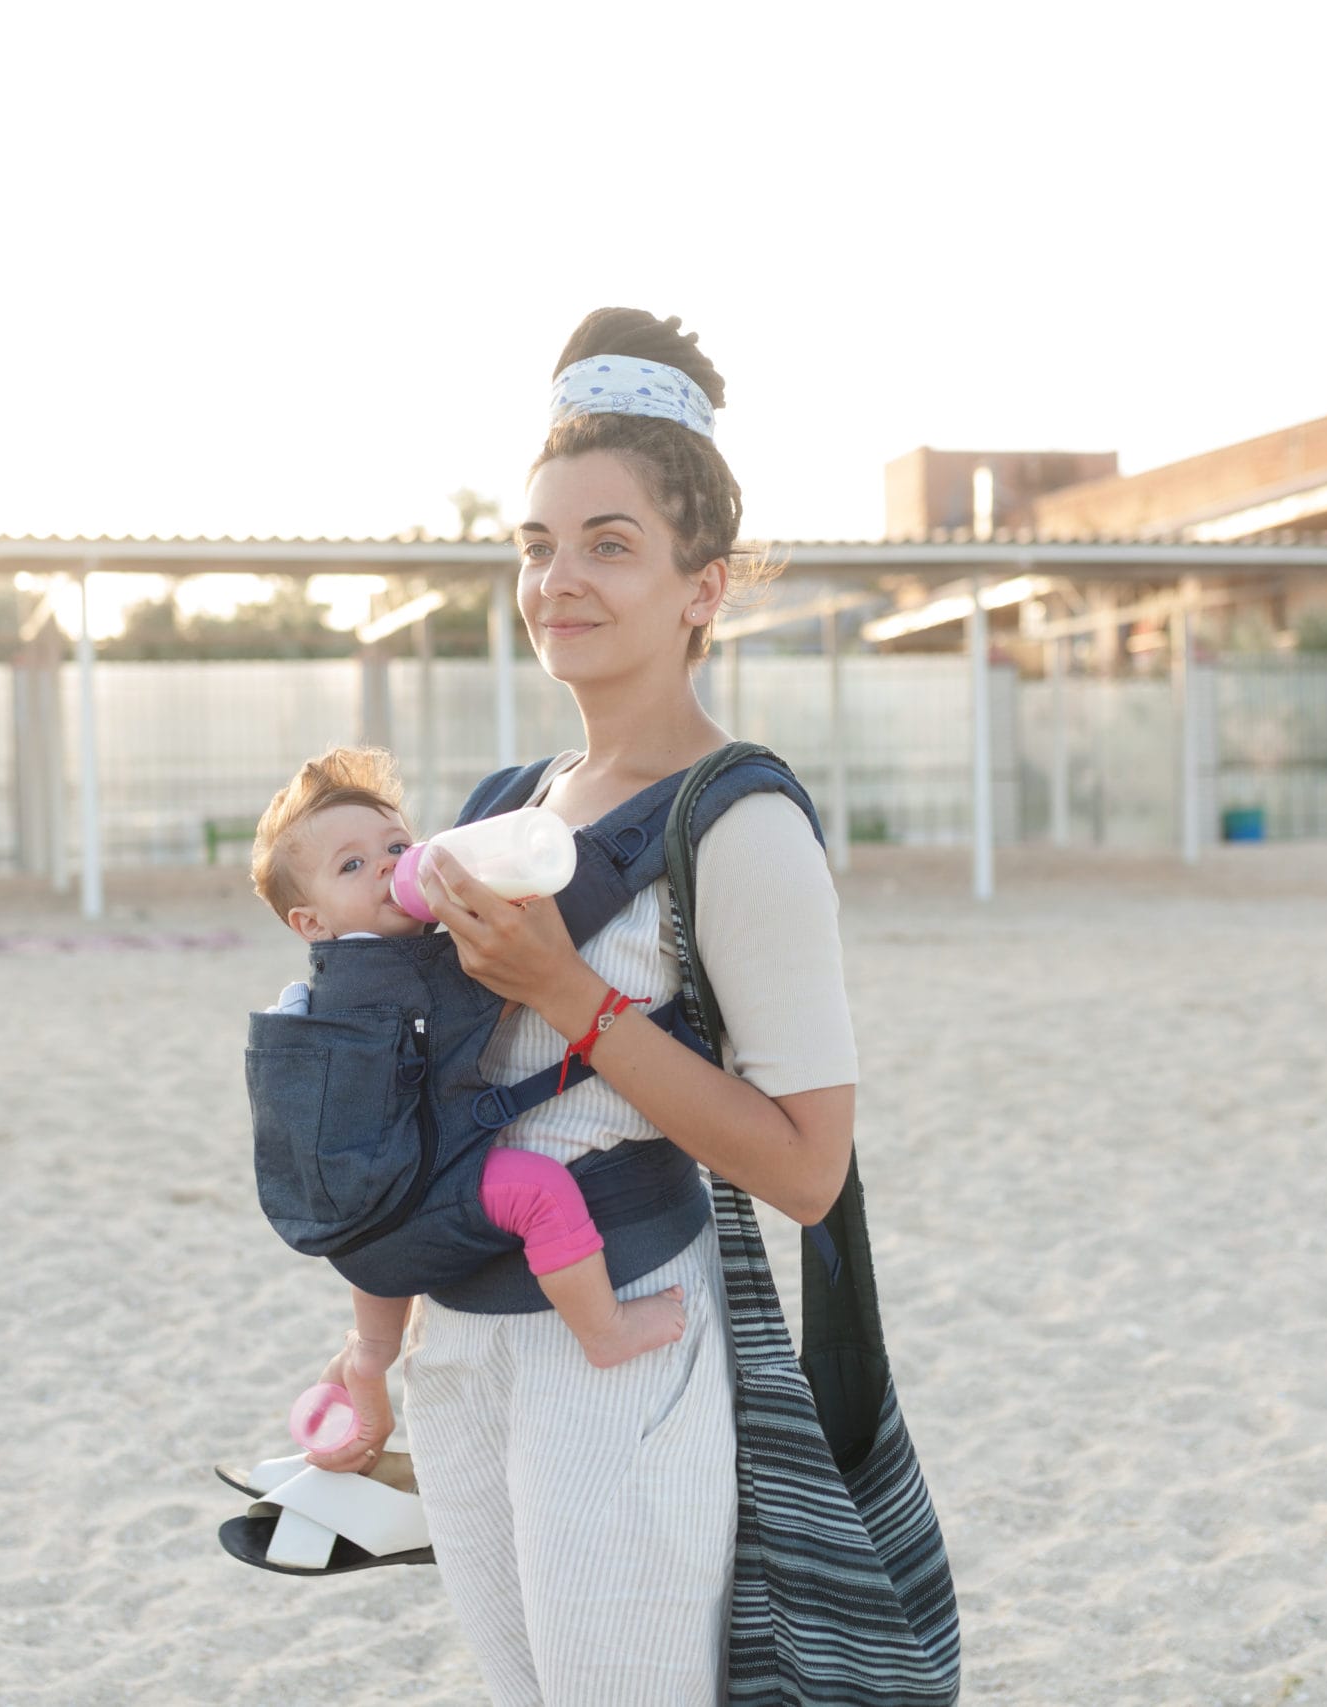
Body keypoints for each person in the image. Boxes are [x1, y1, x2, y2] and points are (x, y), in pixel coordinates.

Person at [301, 308, 859, 1706]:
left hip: (626, 1331)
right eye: (538, 544)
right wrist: (370, 1345)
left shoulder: (740, 825)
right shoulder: (504, 804)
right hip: (463, 1331)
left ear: (702, 586)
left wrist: (575, 996)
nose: (560, 578)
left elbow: (807, 1167)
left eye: (611, 543)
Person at [247, 744, 692, 1384]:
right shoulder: (387, 975)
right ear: (311, 921)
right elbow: (504, 981)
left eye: (398, 848)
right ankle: (604, 1329)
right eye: (352, 865)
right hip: (421, 1189)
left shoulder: (328, 987)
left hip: (358, 1225)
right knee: (540, 1191)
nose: (386, 868)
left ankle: (371, 1352)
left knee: (378, 1226)